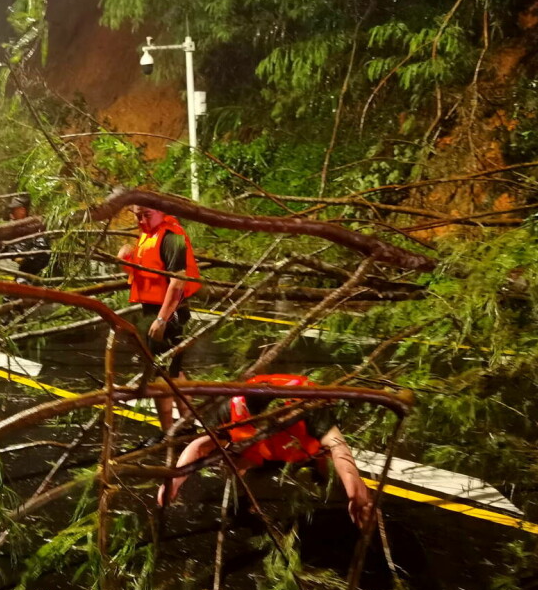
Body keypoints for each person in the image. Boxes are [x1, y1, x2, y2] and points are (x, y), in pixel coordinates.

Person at [157, 374, 373, 528]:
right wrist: (174, 481)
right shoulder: (233, 406)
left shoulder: (306, 405)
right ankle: (243, 500)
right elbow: (200, 446)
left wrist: (353, 488)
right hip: (260, 447)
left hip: (304, 445)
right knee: (233, 463)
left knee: (333, 473)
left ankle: (346, 503)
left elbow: (338, 445)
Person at [118, 205, 201, 434]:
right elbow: (146, 270)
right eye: (137, 216)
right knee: (172, 370)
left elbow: (177, 282)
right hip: (153, 310)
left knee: (163, 371)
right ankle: (183, 426)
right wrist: (126, 258)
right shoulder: (149, 234)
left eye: (147, 215)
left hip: (169, 312)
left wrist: (162, 320)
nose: (142, 220)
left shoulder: (172, 237)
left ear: (162, 213)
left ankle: (171, 430)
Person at [3, 194, 50, 281]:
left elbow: (41, 247)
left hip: (36, 271)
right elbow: (9, 246)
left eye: (15, 210)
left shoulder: (35, 226)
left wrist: (25, 260)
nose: (12, 213)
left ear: (22, 211)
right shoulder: (14, 228)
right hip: (19, 270)